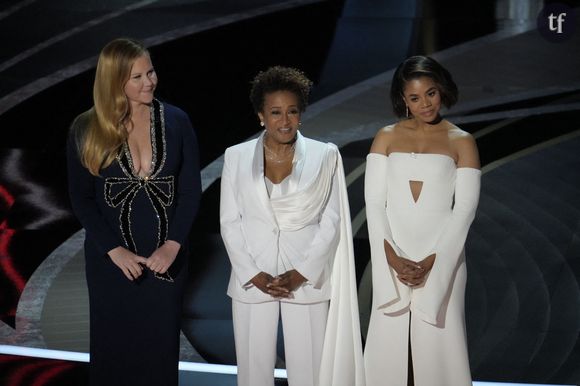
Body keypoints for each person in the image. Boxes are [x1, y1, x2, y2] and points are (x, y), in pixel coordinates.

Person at [66, 38, 201, 386]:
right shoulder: (85, 128)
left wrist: (172, 245)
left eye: (151, 72)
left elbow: (189, 191)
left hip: (165, 262)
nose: (149, 82)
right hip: (111, 264)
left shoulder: (177, 120)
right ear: (115, 82)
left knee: (159, 354)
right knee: (114, 354)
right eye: (137, 77)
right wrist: (115, 250)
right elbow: (82, 199)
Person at [220, 66, 364, 386]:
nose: (284, 121)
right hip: (252, 280)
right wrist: (253, 274)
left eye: (292, 112)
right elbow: (229, 221)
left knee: (311, 372)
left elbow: (332, 219)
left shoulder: (325, 155)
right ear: (261, 115)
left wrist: (302, 272)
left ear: (301, 114)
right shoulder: (236, 156)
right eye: (275, 112)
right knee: (253, 373)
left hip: (306, 281)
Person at [364, 55, 480, 386]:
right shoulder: (385, 137)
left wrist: (433, 260)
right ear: (403, 100)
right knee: (390, 348)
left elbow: (466, 208)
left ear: (441, 89)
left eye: (430, 93)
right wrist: (391, 258)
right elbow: (374, 203)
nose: (425, 104)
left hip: (443, 260)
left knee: (439, 346)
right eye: (414, 97)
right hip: (392, 259)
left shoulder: (462, 141)